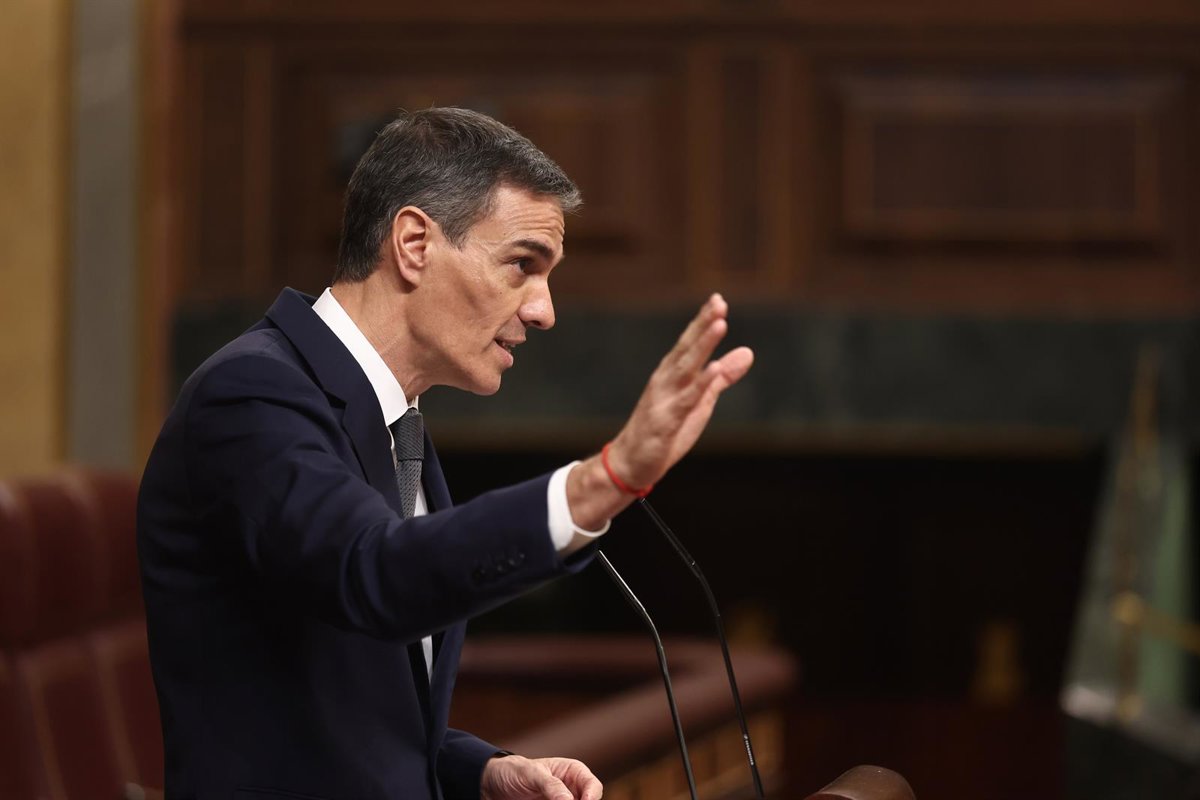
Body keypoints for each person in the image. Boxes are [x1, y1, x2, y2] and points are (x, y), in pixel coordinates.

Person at [137, 107, 754, 800]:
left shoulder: (399, 426)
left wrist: (475, 771)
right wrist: (601, 482)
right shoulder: (250, 394)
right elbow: (373, 575)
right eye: (522, 265)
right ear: (414, 244)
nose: (544, 310)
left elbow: (340, 700)